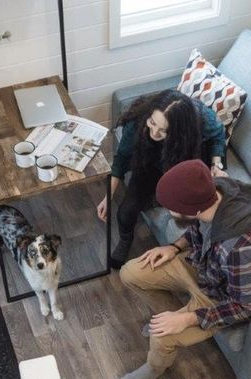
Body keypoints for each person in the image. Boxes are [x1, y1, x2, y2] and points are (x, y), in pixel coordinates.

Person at [116, 159, 251, 379]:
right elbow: (197, 227)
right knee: (130, 272)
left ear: (195, 210)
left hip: (223, 298)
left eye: (172, 208)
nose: (168, 213)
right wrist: (174, 247)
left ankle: (154, 367)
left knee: (162, 337)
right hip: (204, 265)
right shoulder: (215, 192)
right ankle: (167, 317)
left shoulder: (242, 247)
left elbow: (243, 305)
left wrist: (187, 319)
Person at [97, 90, 226, 269]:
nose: (154, 132)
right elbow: (122, 159)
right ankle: (126, 240)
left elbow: (219, 134)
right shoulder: (138, 120)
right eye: (152, 123)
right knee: (126, 210)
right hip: (148, 164)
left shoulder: (201, 119)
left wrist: (216, 163)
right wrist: (108, 196)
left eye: (163, 131)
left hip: (180, 164)